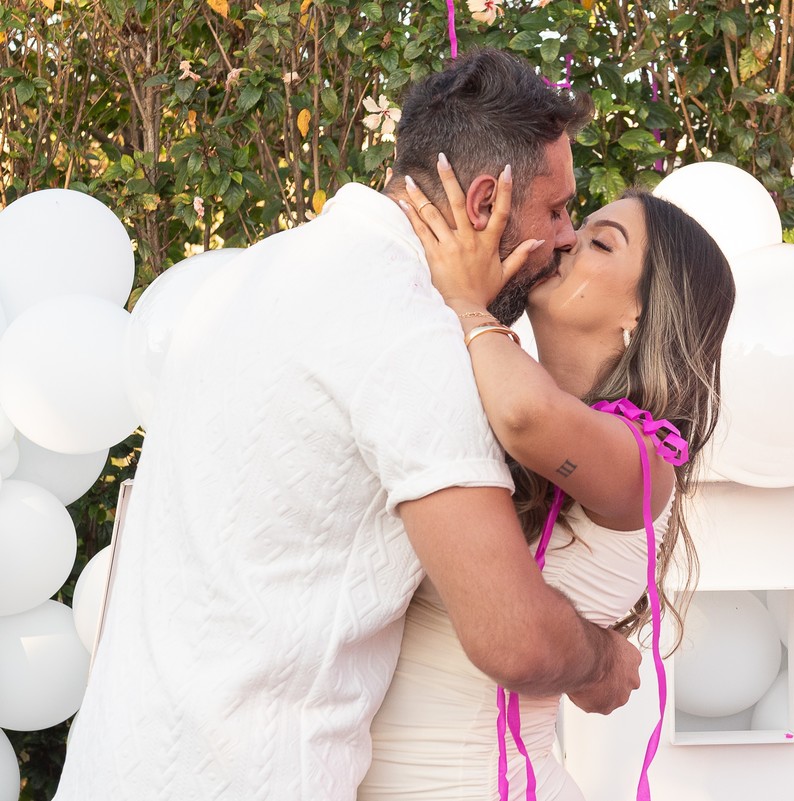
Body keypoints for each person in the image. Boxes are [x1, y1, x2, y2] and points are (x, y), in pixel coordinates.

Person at [55, 49, 641, 801]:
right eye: (556, 210)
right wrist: (599, 662)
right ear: (484, 203)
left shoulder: (258, 271)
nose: (564, 237)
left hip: (115, 768)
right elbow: (513, 637)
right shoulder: (413, 334)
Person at [358, 150, 736, 799]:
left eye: (600, 243)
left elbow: (528, 415)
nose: (564, 240)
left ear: (642, 312)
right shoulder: (486, 387)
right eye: (573, 224)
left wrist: (464, 300)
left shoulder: (646, 460)